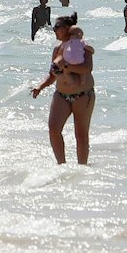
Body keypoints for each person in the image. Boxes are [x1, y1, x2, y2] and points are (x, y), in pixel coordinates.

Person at [30, 15, 95, 165]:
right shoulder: (58, 49)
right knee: (53, 128)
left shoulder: (82, 46)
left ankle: (82, 169)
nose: (54, 30)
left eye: (57, 27)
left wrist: (66, 66)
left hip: (83, 95)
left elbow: (87, 68)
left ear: (68, 29)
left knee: (81, 134)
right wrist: (40, 86)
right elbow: (52, 75)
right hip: (61, 95)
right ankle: (61, 166)